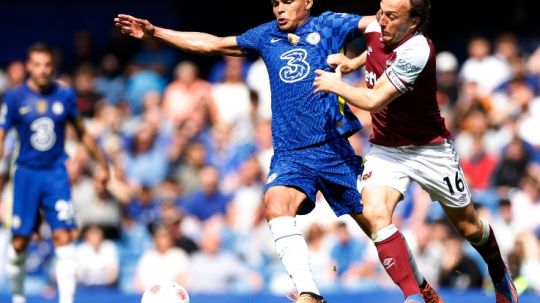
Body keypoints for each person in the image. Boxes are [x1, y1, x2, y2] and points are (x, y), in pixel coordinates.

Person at [115, 1, 440, 302]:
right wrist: (155, 32)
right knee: (275, 203)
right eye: (275, 3)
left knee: (376, 225)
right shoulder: (265, 35)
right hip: (290, 154)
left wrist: (384, 45)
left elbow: (382, 23)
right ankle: (309, 293)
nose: (280, 9)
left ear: (307, 2)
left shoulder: (330, 24)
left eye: (287, 1)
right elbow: (212, 43)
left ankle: (422, 287)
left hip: (333, 150)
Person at [313, 0, 518, 302]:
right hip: (386, 149)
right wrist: (352, 63)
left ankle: (498, 270)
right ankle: (417, 294)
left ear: (413, 23)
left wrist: (335, 83)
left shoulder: (418, 50)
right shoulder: (377, 26)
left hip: (429, 150)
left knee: (469, 227)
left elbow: (373, 101)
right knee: (374, 215)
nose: (381, 20)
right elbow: (374, 50)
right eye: (381, 11)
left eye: (391, 16)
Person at [0, 43, 109, 303]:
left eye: (47, 65)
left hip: (56, 174)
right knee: (20, 241)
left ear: (53, 67)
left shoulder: (65, 96)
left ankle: (67, 299)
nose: (42, 70)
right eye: (37, 64)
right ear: (29, 66)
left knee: (63, 234)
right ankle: (18, 296)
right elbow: (2, 134)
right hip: (26, 174)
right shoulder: (15, 98)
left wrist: (103, 165)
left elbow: (82, 131)